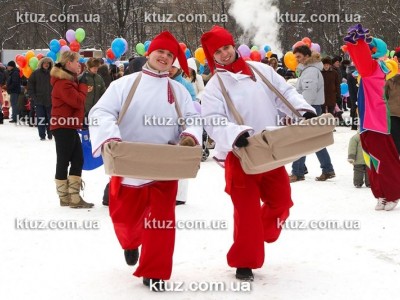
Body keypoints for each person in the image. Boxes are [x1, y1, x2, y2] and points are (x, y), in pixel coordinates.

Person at [200, 26, 315, 281]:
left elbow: (285, 93)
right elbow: (212, 120)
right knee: (247, 210)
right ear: (212, 57)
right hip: (240, 155)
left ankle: (258, 235)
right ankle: (244, 261)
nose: (224, 54)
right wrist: (235, 134)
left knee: (282, 201)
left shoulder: (261, 71)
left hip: (270, 149)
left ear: (233, 45)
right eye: (217, 52)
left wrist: (302, 110)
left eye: (226, 47)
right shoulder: (214, 86)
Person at [89, 31, 202, 290]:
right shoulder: (124, 84)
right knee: (125, 220)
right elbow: (101, 111)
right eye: (160, 52)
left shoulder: (179, 90)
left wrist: (188, 136)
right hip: (128, 164)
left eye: (170, 55)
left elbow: (193, 118)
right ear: (149, 53)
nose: (164, 57)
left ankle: (155, 271)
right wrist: (110, 136)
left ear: (174, 60)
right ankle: (130, 243)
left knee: (162, 221)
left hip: (164, 164)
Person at [344, 23, 400, 211]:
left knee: (384, 158)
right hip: (367, 121)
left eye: (370, 49)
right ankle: (382, 193)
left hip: (377, 121)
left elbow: (360, 57)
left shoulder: (373, 68)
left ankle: (392, 192)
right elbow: (358, 59)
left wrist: (357, 41)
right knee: (372, 160)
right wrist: (355, 44)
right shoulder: (368, 68)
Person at [50, 51, 94, 209]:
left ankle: (73, 197)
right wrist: (82, 87)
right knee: (64, 160)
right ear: (68, 63)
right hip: (63, 126)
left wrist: (80, 87)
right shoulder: (63, 83)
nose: (79, 65)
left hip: (68, 125)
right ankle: (66, 197)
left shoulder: (68, 81)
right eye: (77, 62)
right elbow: (77, 101)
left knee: (77, 160)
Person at [290, 45, 336, 182]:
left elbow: (308, 93)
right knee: (315, 141)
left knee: (301, 140)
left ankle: (298, 171)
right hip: (312, 107)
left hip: (308, 108)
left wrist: (303, 110)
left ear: (306, 56)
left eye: (299, 57)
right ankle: (327, 169)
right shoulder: (310, 69)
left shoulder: (310, 71)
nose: (297, 60)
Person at [28, 57, 53, 140]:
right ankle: (42, 135)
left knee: (50, 118)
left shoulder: (53, 73)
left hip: (50, 100)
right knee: (41, 118)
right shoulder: (35, 73)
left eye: (48, 63)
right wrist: (33, 97)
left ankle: (50, 134)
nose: (46, 64)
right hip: (39, 100)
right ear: (41, 64)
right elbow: (30, 86)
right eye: (45, 63)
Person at [78, 57, 106, 127]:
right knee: (85, 131)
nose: (96, 69)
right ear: (89, 67)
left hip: (96, 110)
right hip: (85, 110)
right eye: (94, 67)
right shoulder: (82, 77)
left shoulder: (99, 78)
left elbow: (103, 92)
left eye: (97, 67)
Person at [384, 72, 400, 154]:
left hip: (392, 113)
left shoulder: (391, 80)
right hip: (393, 113)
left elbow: (385, 96)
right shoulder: (391, 80)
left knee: (395, 137)